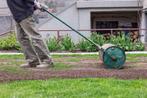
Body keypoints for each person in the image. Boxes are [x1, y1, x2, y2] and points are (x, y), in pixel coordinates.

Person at [7, 0, 53, 68]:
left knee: (35, 37)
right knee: (22, 38)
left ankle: (47, 61)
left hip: (25, 14)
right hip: (17, 15)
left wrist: (36, 4)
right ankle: (33, 61)